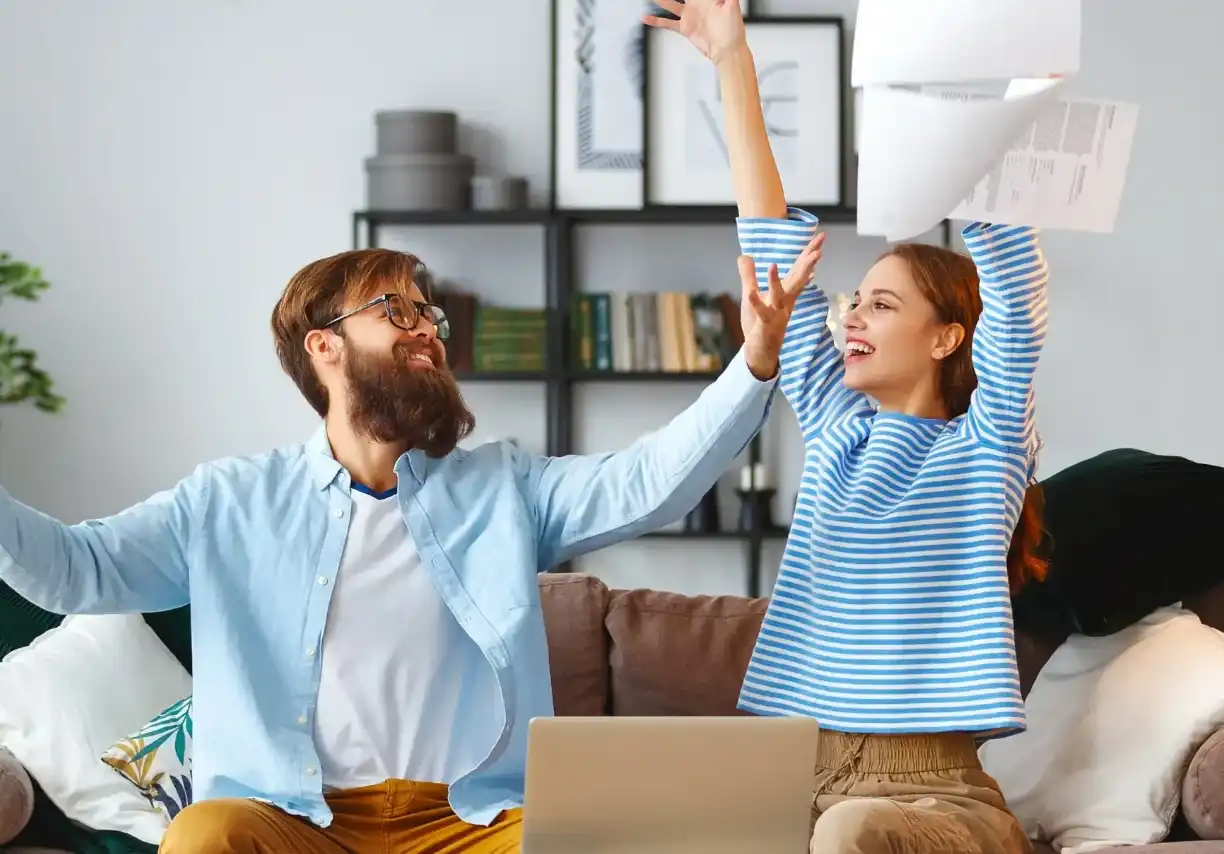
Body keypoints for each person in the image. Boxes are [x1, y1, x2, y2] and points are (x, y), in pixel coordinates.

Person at [0, 244, 822, 853]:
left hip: (469, 825)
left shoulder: (504, 487)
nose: (425, 327)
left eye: (427, 313)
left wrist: (753, 362)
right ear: (323, 346)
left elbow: (650, 481)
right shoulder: (226, 501)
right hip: (296, 822)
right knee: (204, 835)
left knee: (586, 843)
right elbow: (76, 569)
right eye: (395, 311)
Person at [643, 4, 1050, 853]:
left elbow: (1015, 302)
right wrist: (730, 59)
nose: (855, 312)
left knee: (848, 834)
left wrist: (998, 137)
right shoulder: (835, 429)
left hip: (933, 798)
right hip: (797, 776)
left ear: (947, 338)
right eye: (856, 298)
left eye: (885, 302)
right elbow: (767, 236)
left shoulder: (986, 447)